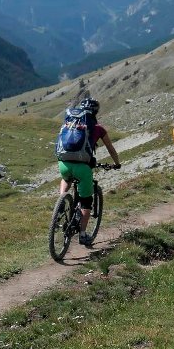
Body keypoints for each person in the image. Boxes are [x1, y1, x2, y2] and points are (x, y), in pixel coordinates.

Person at [57, 97, 121, 247]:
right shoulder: (98, 128)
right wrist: (117, 163)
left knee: (66, 178)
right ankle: (83, 235)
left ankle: (61, 201)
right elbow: (111, 149)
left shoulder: (71, 122)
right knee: (86, 203)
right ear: (96, 111)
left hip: (64, 163)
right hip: (83, 168)